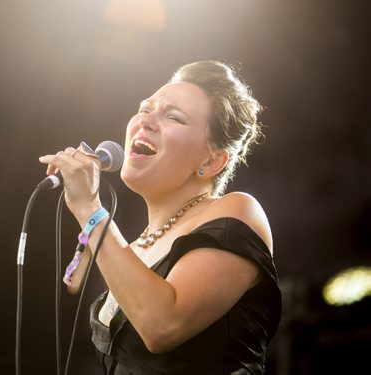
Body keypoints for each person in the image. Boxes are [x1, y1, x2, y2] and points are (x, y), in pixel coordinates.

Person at [39, 60, 282, 374]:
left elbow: (161, 326)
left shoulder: (237, 211)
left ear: (211, 161)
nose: (147, 122)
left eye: (173, 117)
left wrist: (90, 209)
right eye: (145, 109)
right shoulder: (132, 248)